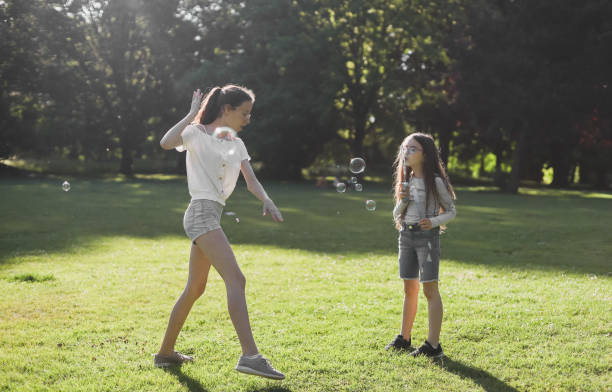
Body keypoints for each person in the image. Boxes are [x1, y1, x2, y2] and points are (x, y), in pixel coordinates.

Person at [155, 85, 285, 380]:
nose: (248, 119)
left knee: (195, 289)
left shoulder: (235, 143)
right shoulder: (196, 133)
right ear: (226, 109)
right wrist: (190, 114)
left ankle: (165, 353)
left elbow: (251, 180)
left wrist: (266, 199)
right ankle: (251, 356)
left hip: (212, 214)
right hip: (200, 213)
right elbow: (165, 142)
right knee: (236, 278)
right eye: (244, 112)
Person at [385, 133, 456, 358]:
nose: (406, 152)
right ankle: (404, 338)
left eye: (412, 149)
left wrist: (433, 222)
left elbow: (452, 211)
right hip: (405, 236)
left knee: (429, 289)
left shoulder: (434, 181)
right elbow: (396, 214)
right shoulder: (405, 182)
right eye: (405, 148)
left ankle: (433, 346)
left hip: (426, 239)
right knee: (409, 288)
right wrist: (404, 199)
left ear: (425, 154)